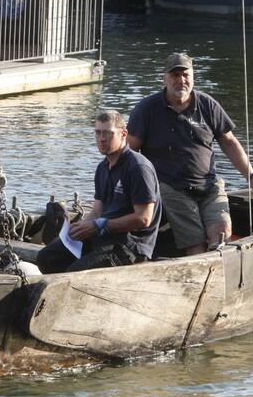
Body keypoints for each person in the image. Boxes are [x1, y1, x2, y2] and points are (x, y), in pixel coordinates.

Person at [127, 52, 253, 255]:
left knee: (223, 234)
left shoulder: (207, 105)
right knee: (196, 245)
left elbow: (229, 142)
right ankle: (201, 278)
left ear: (193, 77)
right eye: (175, 75)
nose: (181, 80)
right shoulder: (147, 109)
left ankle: (220, 273)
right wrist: (125, 190)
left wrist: (252, 177)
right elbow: (129, 152)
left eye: (186, 75)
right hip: (170, 187)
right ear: (164, 79)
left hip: (208, 185)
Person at [35, 109, 161, 274]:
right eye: (98, 133)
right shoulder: (102, 168)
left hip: (129, 245)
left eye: (108, 133)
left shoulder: (138, 167)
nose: (102, 139)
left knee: (74, 273)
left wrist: (99, 225)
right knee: (46, 258)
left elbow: (143, 218)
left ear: (123, 134)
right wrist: (79, 227)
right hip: (103, 237)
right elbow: (97, 211)